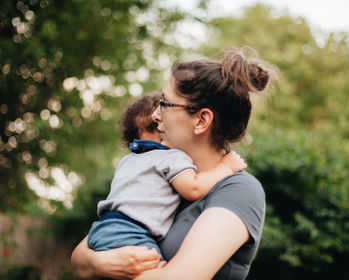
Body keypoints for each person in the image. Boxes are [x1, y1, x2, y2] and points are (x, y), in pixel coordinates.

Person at [71, 46, 275, 280]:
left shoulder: (239, 190)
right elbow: (79, 255)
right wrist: (102, 263)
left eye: (165, 104)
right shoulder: (163, 177)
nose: (156, 115)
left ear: (201, 120)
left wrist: (95, 265)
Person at [87, 93, 247, 258]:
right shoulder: (170, 156)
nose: (162, 129)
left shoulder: (127, 161)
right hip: (132, 233)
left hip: (101, 230)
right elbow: (193, 188)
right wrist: (226, 167)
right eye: (154, 127)